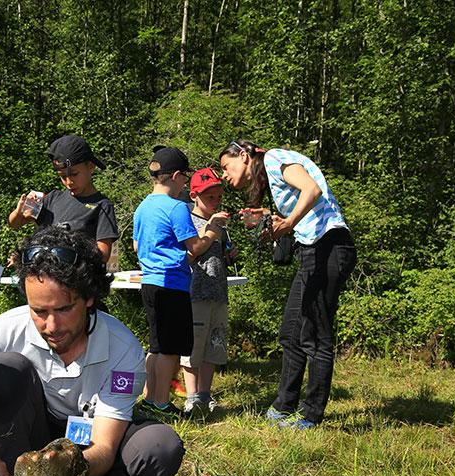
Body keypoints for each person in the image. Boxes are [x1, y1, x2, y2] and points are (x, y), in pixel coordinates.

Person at [0, 227, 185, 476]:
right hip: (24, 437)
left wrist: (69, 468)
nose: (51, 326)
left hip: (87, 446)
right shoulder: (1, 333)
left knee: (160, 445)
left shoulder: (122, 348)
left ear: (89, 297)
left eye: (64, 309)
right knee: (4, 370)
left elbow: (105, 450)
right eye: (38, 311)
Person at [218, 139, 357, 428]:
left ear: (244, 156)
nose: (224, 175)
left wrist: (288, 223)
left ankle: (311, 415)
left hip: (328, 247)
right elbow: (302, 204)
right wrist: (269, 217)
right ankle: (284, 405)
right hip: (313, 250)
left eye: (225, 166)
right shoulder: (270, 171)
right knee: (291, 332)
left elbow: (312, 190)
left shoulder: (274, 159)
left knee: (317, 337)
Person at [132, 146, 222, 419]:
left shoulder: (143, 206)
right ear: (178, 176)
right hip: (172, 283)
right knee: (170, 349)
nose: (185, 184)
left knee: (157, 345)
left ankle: (149, 399)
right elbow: (194, 246)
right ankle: (161, 403)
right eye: (185, 178)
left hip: (149, 282)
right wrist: (211, 233)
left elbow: (136, 247)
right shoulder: (176, 208)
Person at [7, 135, 119, 263]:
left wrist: (69, 251)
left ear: (91, 166)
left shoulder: (102, 206)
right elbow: (14, 224)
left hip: (78, 280)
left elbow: (103, 255)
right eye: (62, 176)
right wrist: (20, 210)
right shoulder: (53, 199)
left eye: (74, 174)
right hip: (44, 276)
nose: (69, 182)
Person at [180, 168, 234, 417]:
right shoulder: (188, 222)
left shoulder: (220, 224)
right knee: (193, 346)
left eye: (218, 196)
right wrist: (210, 231)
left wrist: (230, 252)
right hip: (195, 293)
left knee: (215, 343)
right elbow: (189, 255)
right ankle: (191, 397)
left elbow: (221, 255)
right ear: (194, 195)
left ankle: (205, 394)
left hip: (218, 292)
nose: (215, 201)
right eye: (209, 197)